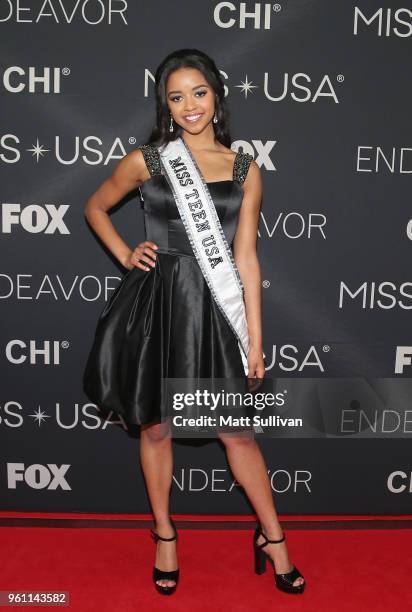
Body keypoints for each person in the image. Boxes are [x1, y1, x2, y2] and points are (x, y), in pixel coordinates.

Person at [82, 48, 305, 596]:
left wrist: (253, 338)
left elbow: (246, 258)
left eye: (199, 93)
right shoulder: (149, 160)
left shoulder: (244, 169)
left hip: (215, 309)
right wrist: (123, 253)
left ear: (217, 95)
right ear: (165, 103)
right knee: (156, 426)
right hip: (157, 304)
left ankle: (272, 537)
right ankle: (164, 534)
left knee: (237, 433)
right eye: (176, 97)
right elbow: (93, 206)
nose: (189, 106)